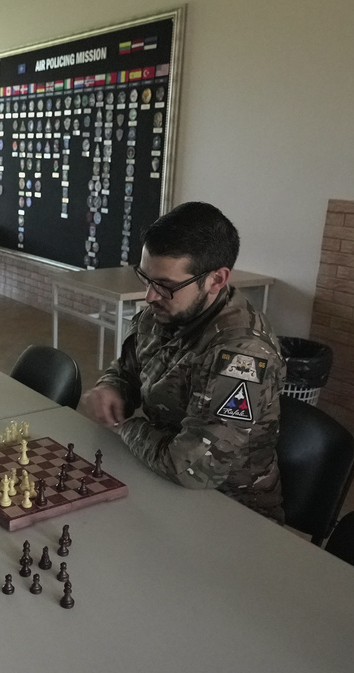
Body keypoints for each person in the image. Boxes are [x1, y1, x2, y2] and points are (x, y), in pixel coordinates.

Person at [79, 202, 286, 522]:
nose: (150, 295)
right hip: (159, 479)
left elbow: (191, 468)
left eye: (166, 285)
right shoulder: (165, 310)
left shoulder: (243, 355)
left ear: (217, 280)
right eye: (146, 278)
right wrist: (112, 387)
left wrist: (123, 426)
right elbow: (128, 369)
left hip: (231, 512)